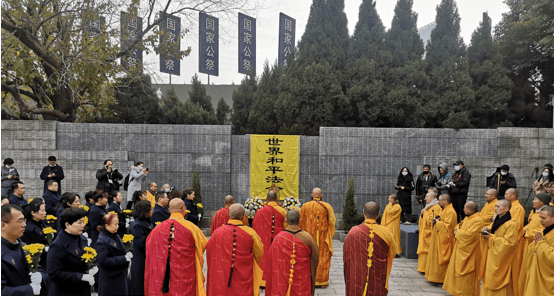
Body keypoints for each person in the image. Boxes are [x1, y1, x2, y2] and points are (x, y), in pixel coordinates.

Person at [145, 198, 207, 296]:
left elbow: (149, 248)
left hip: (162, 272)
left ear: (169, 210)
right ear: (184, 209)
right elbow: (203, 245)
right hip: (184, 273)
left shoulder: (156, 230)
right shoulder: (192, 228)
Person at [206, 204, 264, 296]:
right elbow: (259, 253)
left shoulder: (217, 232)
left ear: (229, 215)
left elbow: (210, 252)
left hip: (222, 274)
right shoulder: (251, 232)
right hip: (244, 274)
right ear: (243, 215)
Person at [343, 202, 396, 296]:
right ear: (378, 214)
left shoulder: (353, 231)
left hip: (357, 277)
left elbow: (347, 255)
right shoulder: (386, 232)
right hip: (378, 275)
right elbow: (392, 253)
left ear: (363, 212)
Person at [266, 210, 319, 296]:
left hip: (282, 280)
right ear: (300, 220)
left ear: (286, 220)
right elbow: (315, 257)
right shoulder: (307, 238)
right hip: (302, 280)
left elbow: (271, 259)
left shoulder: (278, 238)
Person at [47, 207, 97, 296]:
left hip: (82, 289)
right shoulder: (58, 245)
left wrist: (92, 267)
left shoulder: (82, 239)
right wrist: (81, 276)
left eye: (83, 222)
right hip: (65, 291)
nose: (83, 225)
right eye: (79, 222)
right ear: (67, 225)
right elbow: (54, 273)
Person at [1, 204, 47, 296]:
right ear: (3, 225)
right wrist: (29, 290)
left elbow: (39, 269)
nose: (24, 224)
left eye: (24, 220)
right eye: (20, 221)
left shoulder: (24, 246)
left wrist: (41, 276)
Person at [442, 201, 485, 296]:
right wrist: (458, 230)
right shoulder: (468, 218)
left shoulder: (478, 220)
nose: (463, 209)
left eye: (465, 208)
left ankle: (466, 292)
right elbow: (459, 225)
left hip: (470, 252)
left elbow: (470, 236)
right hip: (460, 249)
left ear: (470, 209)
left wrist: (458, 232)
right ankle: (456, 290)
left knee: (467, 275)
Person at [298, 187, 336, 288]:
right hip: (323, 240)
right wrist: (329, 235)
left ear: (311, 195)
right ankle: (322, 281)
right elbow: (332, 222)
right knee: (323, 258)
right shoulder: (327, 206)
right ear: (321, 196)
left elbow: (299, 221)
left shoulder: (305, 206)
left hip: (308, 239)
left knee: (309, 258)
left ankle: (309, 280)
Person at [480, 199, 518, 296]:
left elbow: (509, 243)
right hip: (493, 254)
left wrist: (491, 237)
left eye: (498, 207)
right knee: (488, 278)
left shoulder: (511, 224)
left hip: (501, 258)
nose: (495, 208)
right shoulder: (497, 220)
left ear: (506, 209)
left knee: (497, 281)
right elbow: (494, 228)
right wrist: (487, 228)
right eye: (495, 206)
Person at [517, 193, 550, 295]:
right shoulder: (535, 212)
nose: (533, 201)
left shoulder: (548, 213)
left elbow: (543, 231)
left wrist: (527, 232)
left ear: (542, 202)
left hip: (539, 248)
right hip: (529, 246)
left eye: (535, 199)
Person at [253, 190, 288, 287]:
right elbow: (286, 228)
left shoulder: (260, 212)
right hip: (278, 241)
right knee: (277, 260)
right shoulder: (283, 211)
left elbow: (255, 227)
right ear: (277, 199)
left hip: (263, 241)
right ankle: (276, 280)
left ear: (267, 199)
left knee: (264, 259)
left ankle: (262, 281)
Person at [95, 213, 131, 296]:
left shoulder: (115, 235)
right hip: (110, 279)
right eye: (115, 224)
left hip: (120, 275)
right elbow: (103, 261)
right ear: (107, 226)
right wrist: (124, 259)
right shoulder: (101, 241)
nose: (117, 226)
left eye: (118, 224)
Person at [424, 194, 457, 284]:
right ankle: (434, 277)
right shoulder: (444, 210)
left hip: (443, 239)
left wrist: (438, 223)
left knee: (440, 259)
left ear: (445, 201)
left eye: (440, 200)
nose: (438, 202)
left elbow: (447, 227)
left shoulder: (450, 211)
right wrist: (436, 220)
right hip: (437, 238)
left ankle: (440, 279)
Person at [522, 205, 554, 295]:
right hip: (535, 276)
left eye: (543, 218)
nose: (540, 220)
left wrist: (541, 244)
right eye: (540, 217)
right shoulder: (545, 232)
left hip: (547, 284)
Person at [129, 200, 153, 296]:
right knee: (139, 286)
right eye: (151, 209)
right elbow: (142, 243)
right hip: (140, 260)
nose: (152, 211)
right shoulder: (137, 225)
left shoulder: (148, 222)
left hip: (148, 259)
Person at [505, 188, 524, 295]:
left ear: (513, 196)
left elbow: (516, 225)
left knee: (514, 269)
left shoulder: (518, 208)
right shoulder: (512, 207)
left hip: (514, 242)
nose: (505, 195)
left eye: (507, 194)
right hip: (507, 240)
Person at [417, 192, 442, 273]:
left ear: (432, 198)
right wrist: (422, 214)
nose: (425, 198)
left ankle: (426, 269)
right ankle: (422, 268)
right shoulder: (428, 207)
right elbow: (424, 218)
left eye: (427, 197)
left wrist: (425, 213)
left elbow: (433, 219)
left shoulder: (437, 207)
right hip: (424, 231)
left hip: (429, 233)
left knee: (427, 250)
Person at [21, 199, 49, 269]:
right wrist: (44, 249)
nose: (45, 213)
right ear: (33, 213)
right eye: (42, 211)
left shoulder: (43, 224)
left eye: (44, 210)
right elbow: (26, 248)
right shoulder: (27, 229)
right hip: (38, 263)